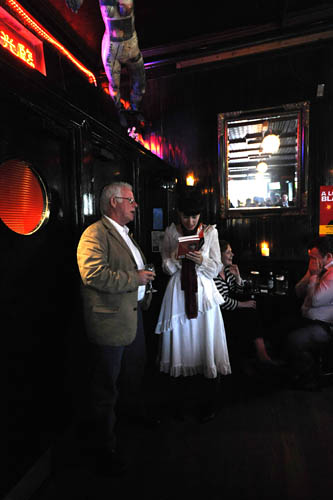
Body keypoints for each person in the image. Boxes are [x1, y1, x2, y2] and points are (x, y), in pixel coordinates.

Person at [76, 181, 155, 475]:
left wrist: (145, 282)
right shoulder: (94, 234)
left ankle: (130, 426)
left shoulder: (126, 234)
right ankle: (103, 447)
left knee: (133, 375)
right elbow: (94, 275)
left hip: (133, 319)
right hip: (109, 324)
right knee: (105, 388)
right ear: (113, 202)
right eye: (130, 200)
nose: (135, 205)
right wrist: (135, 278)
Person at [155, 189, 231, 421]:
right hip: (178, 291)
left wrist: (202, 260)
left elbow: (216, 266)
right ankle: (179, 401)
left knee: (204, 339)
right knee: (182, 341)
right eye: (186, 216)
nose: (190, 221)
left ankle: (208, 401)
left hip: (203, 293)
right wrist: (176, 259)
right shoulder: (170, 232)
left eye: (194, 216)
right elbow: (165, 268)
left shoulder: (209, 232)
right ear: (178, 214)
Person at [65, 0, 146, 129]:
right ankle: (120, 109)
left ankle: (134, 109)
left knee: (140, 84)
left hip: (128, 45)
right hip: (113, 48)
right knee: (115, 86)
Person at [213, 240, 276, 372]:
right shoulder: (213, 276)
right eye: (228, 252)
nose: (232, 254)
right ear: (218, 255)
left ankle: (260, 349)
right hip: (220, 315)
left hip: (232, 310)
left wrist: (237, 278)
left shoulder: (228, 272)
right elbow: (222, 301)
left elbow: (238, 292)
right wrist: (242, 304)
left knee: (254, 308)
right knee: (249, 312)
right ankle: (260, 352)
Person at [287, 236, 333, 389]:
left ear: (328, 257)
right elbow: (298, 291)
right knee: (281, 327)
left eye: (315, 257)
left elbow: (316, 301)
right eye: (310, 257)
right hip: (307, 319)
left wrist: (314, 276)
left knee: (295, 340)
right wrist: (309, 275)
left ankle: (310, 376)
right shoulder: (315, 269)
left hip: (324, 326)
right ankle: (294, 372)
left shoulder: (331, 274)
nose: (312, 261)